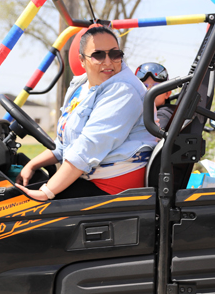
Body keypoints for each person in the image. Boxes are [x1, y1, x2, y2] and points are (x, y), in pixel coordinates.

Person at [16, 26, 157, 200]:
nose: (108, 62)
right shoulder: (81, 88)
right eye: (98, 55)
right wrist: (32, 164)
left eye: (115, 54)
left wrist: (46, 192)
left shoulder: (124, 91)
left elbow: (89, 147)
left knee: (22, 210)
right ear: (82, 60)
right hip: (87, 177)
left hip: (113, 189)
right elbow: (65, 144)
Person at [135, 62, 175, 129]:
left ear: (167, 93)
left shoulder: (164, 115)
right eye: (144, 86)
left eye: (155, 87)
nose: (148, 90)